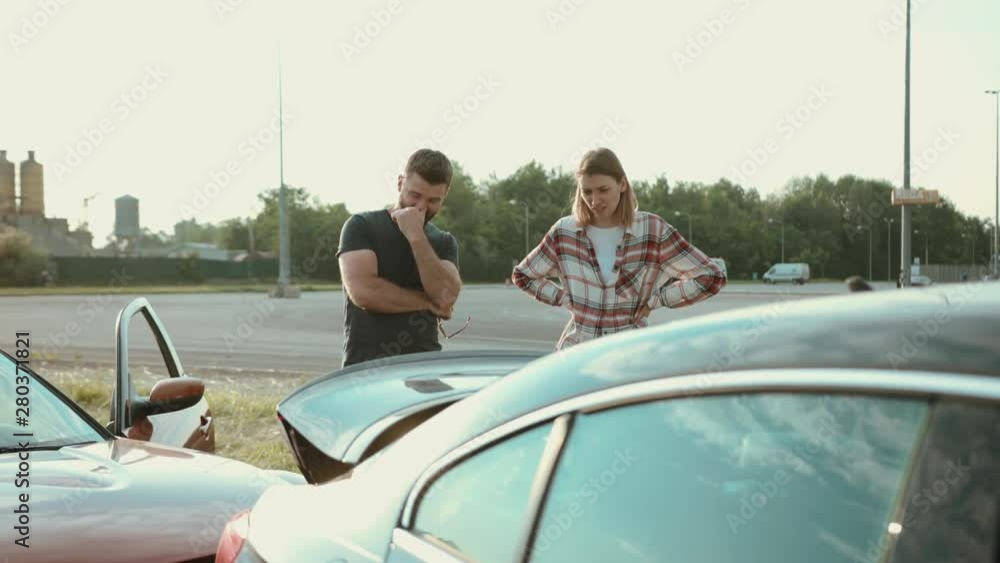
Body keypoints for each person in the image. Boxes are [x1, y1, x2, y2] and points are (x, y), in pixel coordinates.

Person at [512, 147, 726, 350]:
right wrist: (563, 299)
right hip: (576, 356)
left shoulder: (652, 230)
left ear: (622, 184)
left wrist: (657, 301)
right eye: (587, 192)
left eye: (603, 190)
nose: (595, 201)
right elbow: (523, 275)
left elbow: (710, 276)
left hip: (630, 354)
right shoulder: (564, 232)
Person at [336, 149, 462, 367]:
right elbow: (365, 293)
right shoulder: (362, 226)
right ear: (400, 183)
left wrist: (416, 236)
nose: (421, 206)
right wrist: (427, 303)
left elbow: (446, 297)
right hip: (365, 367)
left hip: (425, 367)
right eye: (415, 195)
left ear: (445, 195)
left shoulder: (443, 241)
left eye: (433, 200)